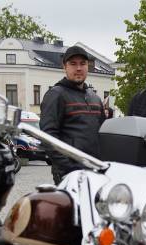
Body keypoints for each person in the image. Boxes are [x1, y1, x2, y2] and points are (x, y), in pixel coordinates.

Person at [40, 45, 105, 184]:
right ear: (64, 66)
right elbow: (48, 138)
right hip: (69, 175)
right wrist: (69, 168)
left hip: (95, 171)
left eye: (83, 63)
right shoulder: (56, 95)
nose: (79, 68)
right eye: (73, 64)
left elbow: (103, 135)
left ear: (88, 66)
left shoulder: (94, 98)